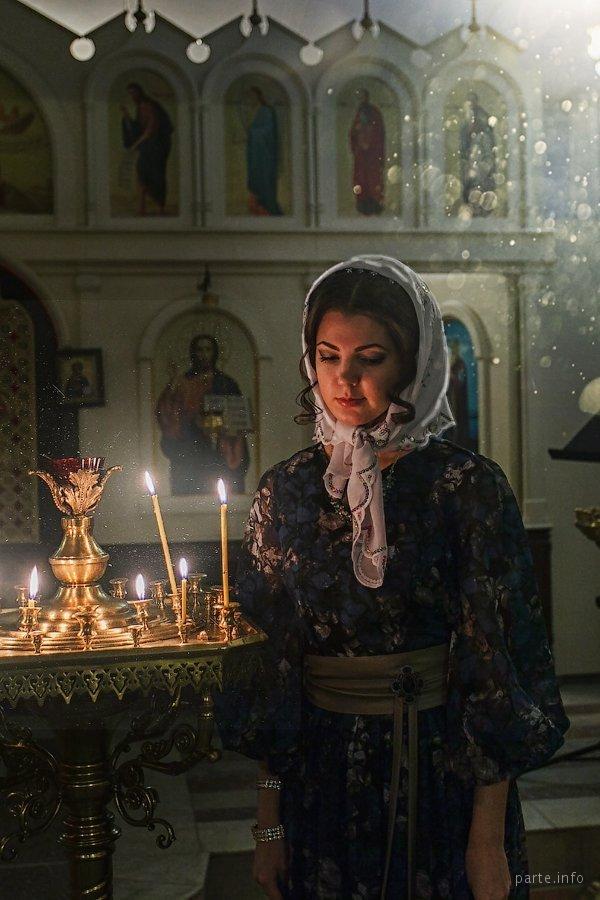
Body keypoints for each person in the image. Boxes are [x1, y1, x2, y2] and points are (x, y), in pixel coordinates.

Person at [216, 256, 569, 899]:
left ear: (412, 363)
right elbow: (272, 672)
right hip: (319, 779)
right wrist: (269, 826)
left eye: (370, 358)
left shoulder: (464, 487)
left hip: (437, 772)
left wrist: (486, 840)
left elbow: (496, 669)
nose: (344, 378)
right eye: (328, 356)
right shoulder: (286, 491)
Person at [155, 333, 248, 495]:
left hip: (220, 447)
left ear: (215, 353)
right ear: (193, 353)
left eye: (208, 349)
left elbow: (237, 417)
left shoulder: (226, 383)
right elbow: (168, 413)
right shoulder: (182, 383)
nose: (204, 354)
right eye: (199, 350)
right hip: (191, 447)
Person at [121, 82, 173, 215]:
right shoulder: (140, 108)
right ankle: (142, 208)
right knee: (142, 174)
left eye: (133, 93)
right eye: (130, 94)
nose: (132, 96)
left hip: (157, 148)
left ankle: (160, 208)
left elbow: (150, 130)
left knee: (156, 175)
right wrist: (126, 116)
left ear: (139, 92)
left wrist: (135, 144)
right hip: (147, 147)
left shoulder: (148, 106)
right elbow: (138, 128)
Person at [245, 86, 282, 216]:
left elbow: (268, 131)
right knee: (256, 180)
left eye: (252, 96)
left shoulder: (266, 111)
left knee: (265, 180)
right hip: (256, 154)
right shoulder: (255, 111)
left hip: (265, 155)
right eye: (248, 97)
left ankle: (267, 207)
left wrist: (252, 132)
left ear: (258, 96)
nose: (250, 99)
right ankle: (259, 206)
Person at [349, 89, 385, 215]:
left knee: (374, 178)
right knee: (360, 178)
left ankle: (375, 201)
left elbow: (378, 131)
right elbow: (354, 132)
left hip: (372, 154)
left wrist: (369, 140)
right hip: (361, 155)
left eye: (362, 97)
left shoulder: (374, 112)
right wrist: (358, 137)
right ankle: (362, 202)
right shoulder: (359, 113)